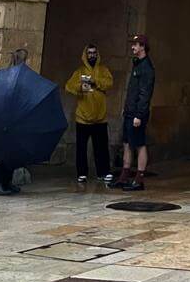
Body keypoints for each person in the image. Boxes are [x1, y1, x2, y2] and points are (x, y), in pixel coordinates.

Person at [65, 44, 114, 184]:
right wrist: (80, 87)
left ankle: (103, 172)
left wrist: (95, 81)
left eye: (94, 53)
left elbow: (109, 83)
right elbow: (69, 86)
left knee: (101, 147)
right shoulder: (79, 71)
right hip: (83, 117)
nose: (92, 55)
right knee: (81, 147)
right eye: (89, 53)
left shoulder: (103, 70)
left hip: (100, 116)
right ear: (85, 55)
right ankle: (82, 173)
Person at [111, 34, 155, 191]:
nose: (132, 47)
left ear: (143, 47)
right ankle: (124, 175)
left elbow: (145, 94)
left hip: (137, 113)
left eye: (136, 44)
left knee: (140, 144)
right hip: (130, 111)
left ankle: (139, 178)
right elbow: (132, 90)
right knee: (127, 143)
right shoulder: (137, 64)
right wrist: (127, 107)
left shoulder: (146, 68)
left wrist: (139, 114)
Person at [0, 47, 28, 196]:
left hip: (15, 120)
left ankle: (7, 182)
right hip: (4, 119)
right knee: (1, 155)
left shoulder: (22, 77)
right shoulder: (7, 77)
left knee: (12, 154)